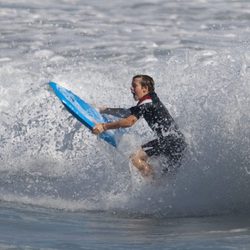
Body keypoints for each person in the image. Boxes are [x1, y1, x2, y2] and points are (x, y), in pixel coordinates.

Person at [93, 75, 186, 177]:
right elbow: (126, 113)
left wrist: (104, 126)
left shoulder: (147, 102)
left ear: (145, 89)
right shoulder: (151, 99)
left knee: (135, 158)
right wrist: (105, 110)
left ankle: (153, 185)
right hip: (177, 142)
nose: (131, 89)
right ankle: (158, 186)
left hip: (170, 141)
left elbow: (129, 121)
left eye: (134, 86)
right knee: (167, 177)